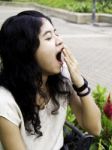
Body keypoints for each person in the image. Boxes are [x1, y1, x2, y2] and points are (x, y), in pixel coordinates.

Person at [0, 10, 101, 150]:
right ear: (26, 52)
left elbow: (94, 128)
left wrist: (79, 82)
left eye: (56, 33)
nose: (60, 40)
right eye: (49, 38)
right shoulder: (5, 103)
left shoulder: (61, 78)